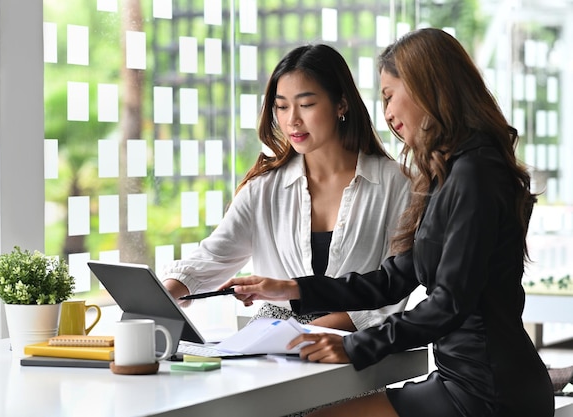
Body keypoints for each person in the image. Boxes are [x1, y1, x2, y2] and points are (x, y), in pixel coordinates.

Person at [220, 28, 555, 417]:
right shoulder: (452, 173)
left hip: (488, 391)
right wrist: (290, 289)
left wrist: (355, 346)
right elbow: (395, 277)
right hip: (462, 378)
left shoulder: (476, 174)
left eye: (390, 95)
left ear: (428, 88)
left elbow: (450, 303)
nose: (388, 114)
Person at [161, 43, 411, 333]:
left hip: (349, 356)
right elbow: (211, 258)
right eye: (281, 106)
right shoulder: (263, 190)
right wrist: (164, 294)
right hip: (272, 351)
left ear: (341, 104)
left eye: (306, 105)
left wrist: (304, 335)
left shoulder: (396, 183)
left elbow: (392, 296)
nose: (292, 119)